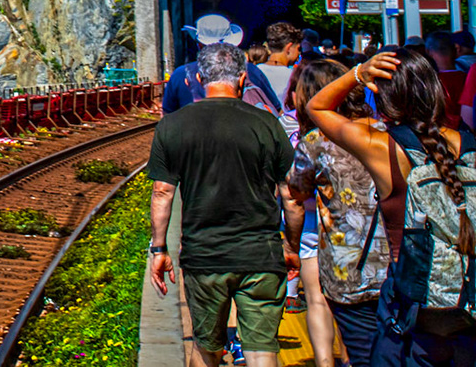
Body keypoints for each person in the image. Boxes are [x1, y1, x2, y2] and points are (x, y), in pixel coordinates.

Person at [305, 47, 476, 366]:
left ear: (385, 97)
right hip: (467, 301)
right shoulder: (468, 145)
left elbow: (318, 106)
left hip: (412, 306)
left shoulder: (379, 146)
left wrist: (359, 72)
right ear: (435, 90)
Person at [149, 42, 298, 367]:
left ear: (198, 78)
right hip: (261, 255)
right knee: (262, 351)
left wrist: (159, 249)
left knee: (207, 350)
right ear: (243, 78)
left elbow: (162, 192)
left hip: (205, 257)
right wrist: (291, 244)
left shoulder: (172, 126)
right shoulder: (268, 125)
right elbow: (290, 194)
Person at [286, 57, 385, 367]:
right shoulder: (386, 131)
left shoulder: (316, 142)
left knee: (362, 353)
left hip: (347, 268)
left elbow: (296, 193)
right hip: (398, 264)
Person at [164, 13, 286, 115]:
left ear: (199, 44)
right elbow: (275, 108)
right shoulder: (250, 70)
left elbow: (168, 115)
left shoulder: (181, 74)